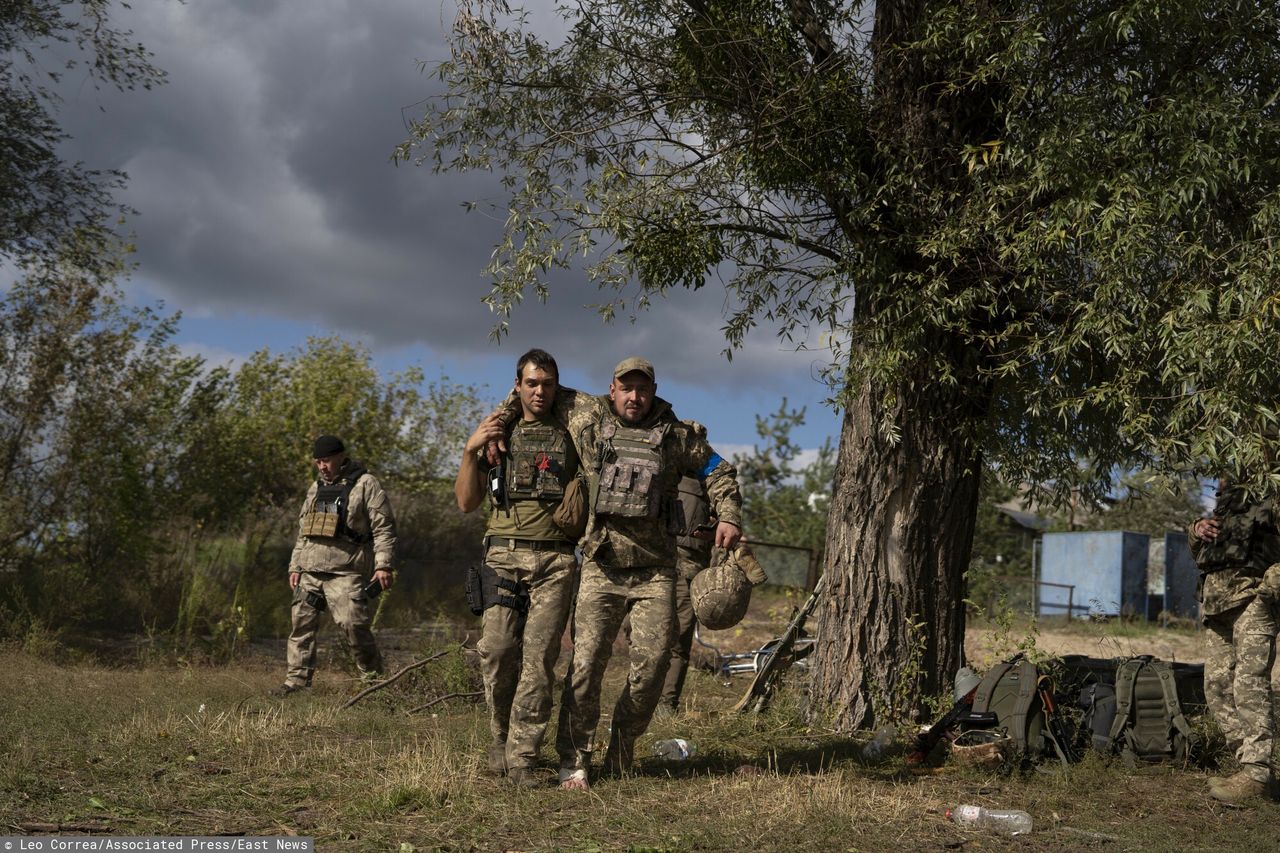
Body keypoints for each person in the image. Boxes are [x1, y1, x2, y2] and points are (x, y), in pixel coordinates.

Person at [496, 357, 743, 789]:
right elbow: (529, 393)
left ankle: (622, 748)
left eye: (643, 389)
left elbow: (716, 469)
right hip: (600, 566)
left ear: (653, 391)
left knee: (650, 671)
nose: (634, 397)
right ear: (612, 390)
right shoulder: (587, 415)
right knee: (586, 667)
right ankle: (574, 758)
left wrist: (729, 515)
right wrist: (495, 429)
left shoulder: (674, 436)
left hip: (655, 572)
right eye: (626, 388)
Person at [455, 348, 581, 787]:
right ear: (518, 385)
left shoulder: (573, 432)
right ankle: (500, 740)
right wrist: (471, 450)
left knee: (539, 658)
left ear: (556, 386)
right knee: (497, 649)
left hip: (555, 559)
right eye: (531, 383)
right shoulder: (498, 430)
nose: (540, 391)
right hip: (502, 555)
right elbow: (467, 502)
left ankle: (524, 758)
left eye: (547, 383)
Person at [279, 435, 396, 694]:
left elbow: (383, 527)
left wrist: (383, 565)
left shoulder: (366, 484)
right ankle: (296, 683)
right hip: (310, 569)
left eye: (327, 461)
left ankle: (374, 682)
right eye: (318, 462)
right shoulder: (315, 488)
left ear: (341, 457)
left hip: (346, 571)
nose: (322, 466)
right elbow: (304, 531)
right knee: (301, 627)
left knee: (354, 626)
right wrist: (295, 566)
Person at [1188, 479, 1280, 804]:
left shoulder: (1272, 488)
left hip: (1253, 600)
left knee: (1249, 685)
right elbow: (1205, 551)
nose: (1220, 479)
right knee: (1216, 687)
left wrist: (1270, 586)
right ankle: (1252, 770)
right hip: (1216, 604)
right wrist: (1196, 529)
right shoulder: (1228, 502)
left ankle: (1256, 771)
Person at [658, 471, 714, 715]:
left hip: (688, 566)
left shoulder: (712, 475)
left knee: (679, 638)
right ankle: (641, 696)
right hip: (654, 560)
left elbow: (726, 523)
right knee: (639, 633)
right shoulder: (661, 462)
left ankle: (666, 704)